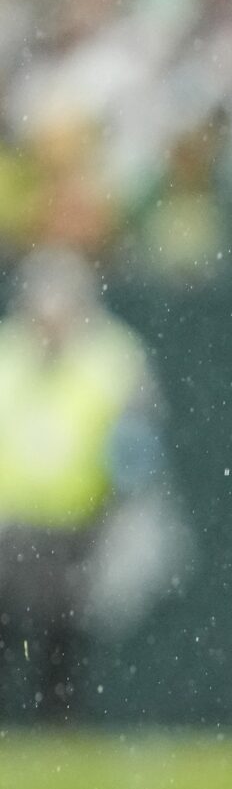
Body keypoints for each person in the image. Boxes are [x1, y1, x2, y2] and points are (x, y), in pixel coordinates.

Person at [0, 248, 166, 720]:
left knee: (61, 638)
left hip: (78, 526)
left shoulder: (113, 359)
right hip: (9, 526)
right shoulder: (6, 354)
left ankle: (60, 728)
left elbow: (137, 443)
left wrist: (122, 504)